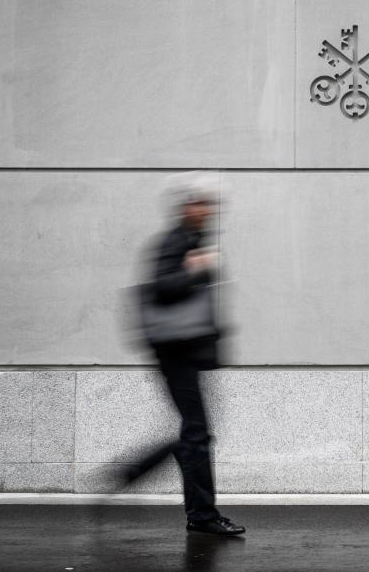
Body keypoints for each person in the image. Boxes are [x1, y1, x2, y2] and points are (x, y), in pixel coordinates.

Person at [126, 171, 245, 537]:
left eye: (211, 203)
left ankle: (196, 509)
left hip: (184, 353)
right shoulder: (176, 241)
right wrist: (196, 268)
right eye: (202, 202)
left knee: (195, 433)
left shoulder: (191, 239)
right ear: (186, 206)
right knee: (196, 433)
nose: (209, 209)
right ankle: (201, 514)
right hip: (175, 353)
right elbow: (162, 288)